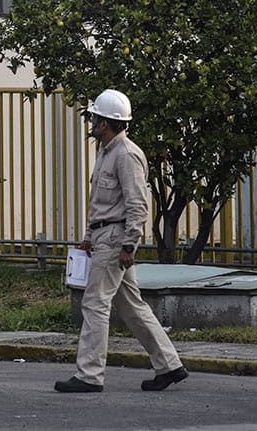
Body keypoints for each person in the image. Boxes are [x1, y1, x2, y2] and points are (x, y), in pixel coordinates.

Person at [55, 89, 188, 393]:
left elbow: (137, 204)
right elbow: (101, 201)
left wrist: (130, 245)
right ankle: (169, 365)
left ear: (106, 123)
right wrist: (89, 236)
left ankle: (89, 375)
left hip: (115, 239)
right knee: (131, 306)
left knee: (95, 304)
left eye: (95, 118)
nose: (91, 122)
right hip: (105, 235)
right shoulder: (106, 151)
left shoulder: (126, 154)